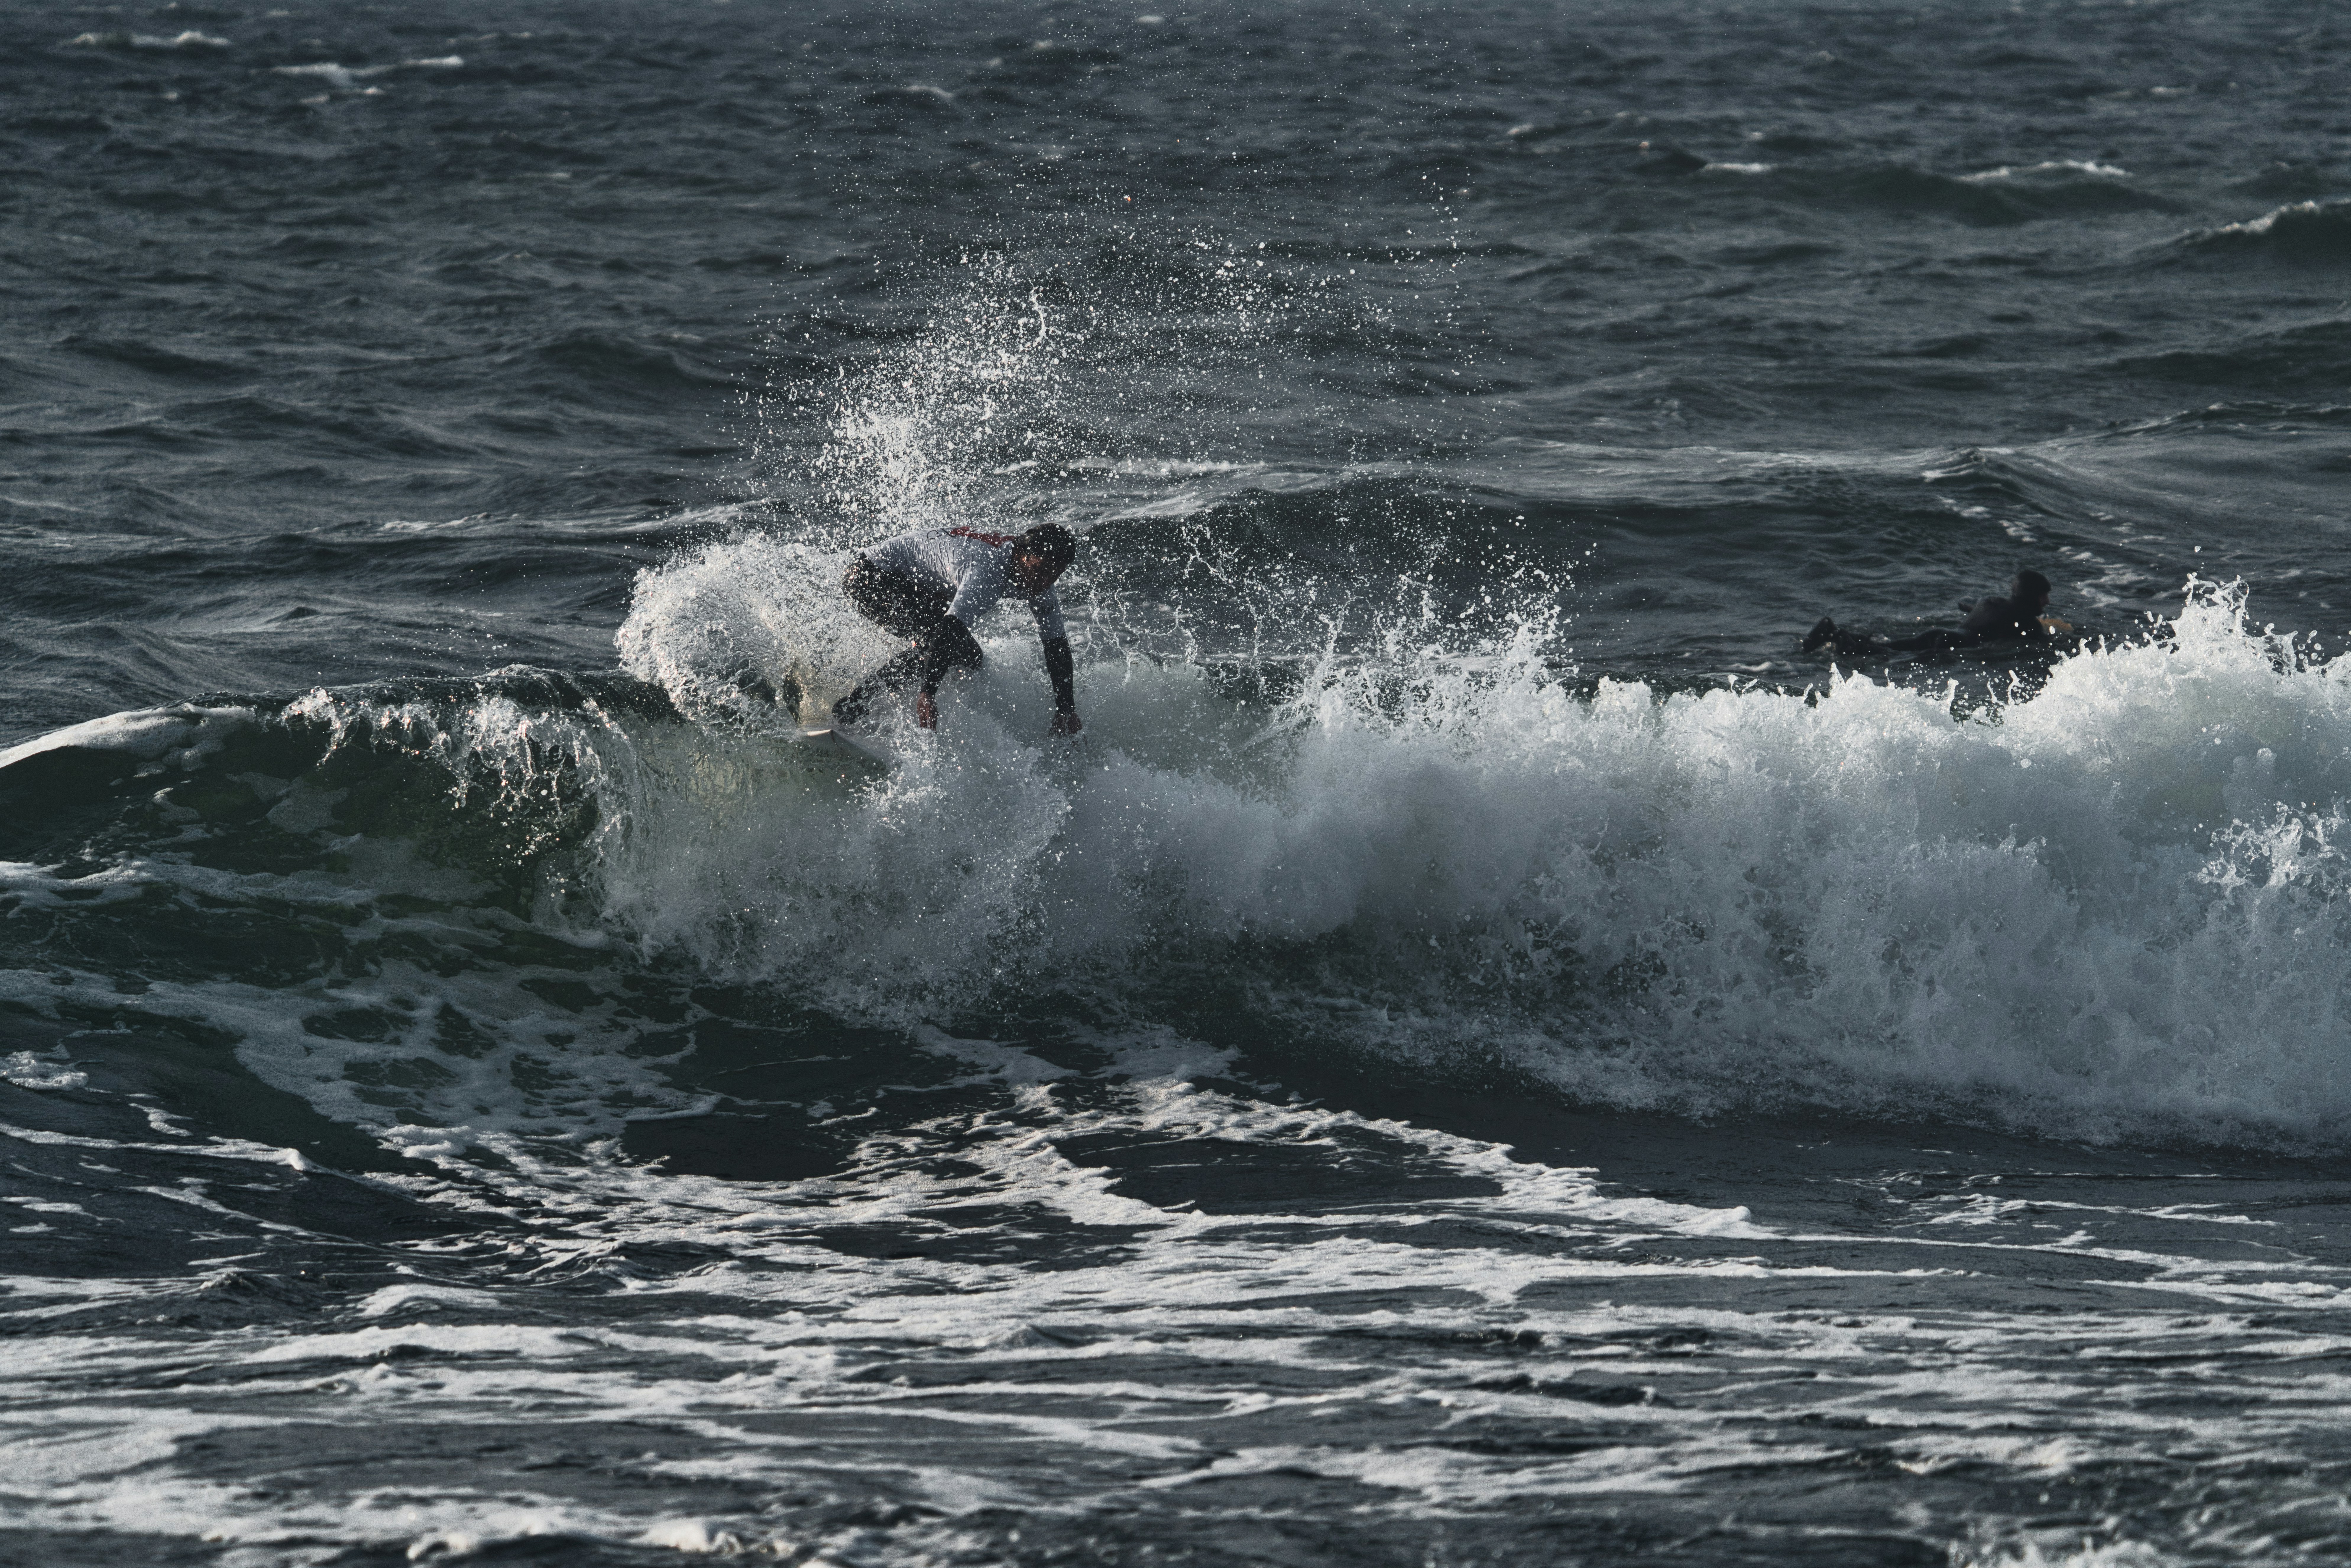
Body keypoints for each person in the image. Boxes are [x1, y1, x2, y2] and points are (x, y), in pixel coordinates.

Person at [831, 521, 1082, 735]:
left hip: (913, 585)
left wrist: (1066, 708)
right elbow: (949, 630)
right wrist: (928, 692)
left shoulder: (1038, 581)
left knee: (971, 658)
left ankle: (878, 701)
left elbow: (1056, 645)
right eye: (1041, 571)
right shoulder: (988, 571)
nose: (1046, 582)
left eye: (1055, 574)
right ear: (1023, 556)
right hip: (870, 577)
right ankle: (852, 709)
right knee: (942, 646)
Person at [1801, 570, 2061, 659]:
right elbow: (2045, 646)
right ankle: (1841, 641)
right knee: (1883, 655)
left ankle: (1835, 633)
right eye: (2043, 596)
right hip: (1949, 646)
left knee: (1888, 648)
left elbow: (1968, 607)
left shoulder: (1989, 602)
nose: (2047, 601)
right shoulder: (2027, 622)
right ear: (2031, 596)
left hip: (1941, 635)